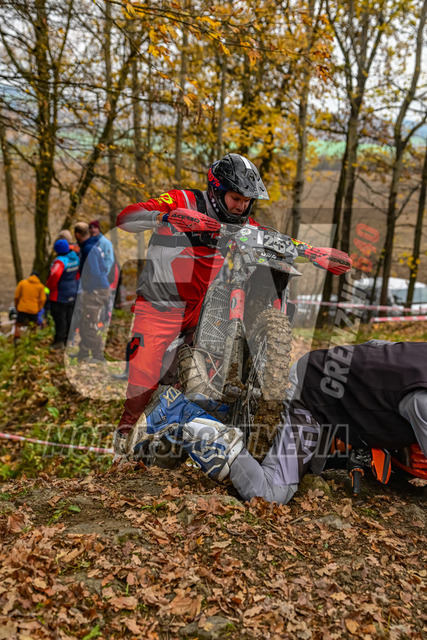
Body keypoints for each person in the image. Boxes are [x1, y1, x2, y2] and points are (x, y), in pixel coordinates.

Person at [113, 153, 352, 456]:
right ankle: (123, 440)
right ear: (216, 190)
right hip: (159, 306)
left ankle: (195, 438)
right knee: (143, 381)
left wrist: (313, 252)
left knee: (196, 380)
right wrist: (166, 217)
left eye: (247, 200)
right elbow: (126, 217)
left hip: (200, 310)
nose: (241, 206)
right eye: (236, 198)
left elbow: (274, 240)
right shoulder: (181, 200)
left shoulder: (243, 224)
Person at [119, 340, 427, 504]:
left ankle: (213, 407)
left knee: (322, 466)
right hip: (312, 397)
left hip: (326, 373)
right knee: (271, 492)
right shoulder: (422, 400)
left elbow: (377, 346)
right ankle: (182, 413)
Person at [74, 222, 110, 362]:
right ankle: (83, 353)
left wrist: (89, 290)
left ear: (77, 234)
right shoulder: (90, 246)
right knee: (84, 321)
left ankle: (98, 356)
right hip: (96, 288)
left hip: (96, 290)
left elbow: (94, 272)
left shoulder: (88, 249)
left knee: (89, 323)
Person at [46, 239, 80, 349]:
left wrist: (49, 287)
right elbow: (77, 275)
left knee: (59, 318)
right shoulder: (75, 257)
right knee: (69, 316)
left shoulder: (60, 262)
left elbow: (54, 276)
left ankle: (59, 341)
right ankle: (69, 340)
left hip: (59, 294)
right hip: (73, 291)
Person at [13, 271, 46, 344]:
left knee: (18, 324)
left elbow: (16, 297)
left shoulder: (22, 283)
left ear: (30, 275)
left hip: (22, 308)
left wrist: (17, 305)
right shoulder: (40, 286)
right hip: (34, 310)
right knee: (33, 326)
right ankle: (32, 341)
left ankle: (17, 340)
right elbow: (43, 299)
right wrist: (39, 308)